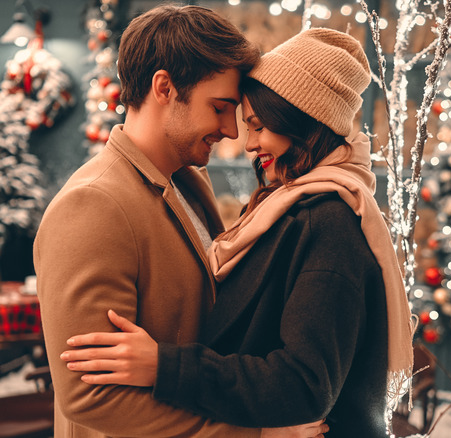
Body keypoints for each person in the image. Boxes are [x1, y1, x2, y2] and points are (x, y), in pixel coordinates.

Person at [60, 28, 417, 437]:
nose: (242, 139)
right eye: (224, 110)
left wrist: (166, 365)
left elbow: (303, 381)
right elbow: (87, 390)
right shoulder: (280, 205)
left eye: (258, 125)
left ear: (303, 124)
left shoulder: (327, 219)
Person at [34, 4, 327, 437]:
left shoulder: (187, 181)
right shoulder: (93, 205)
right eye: (221, 107)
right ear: (164, 87)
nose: (232, 130)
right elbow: (89, 395)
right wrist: (255, 432)